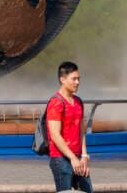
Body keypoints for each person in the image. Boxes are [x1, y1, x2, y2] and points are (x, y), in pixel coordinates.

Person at [46, 61, 92, 193]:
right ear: (62, 79)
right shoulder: (56, 103)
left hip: (77, 158)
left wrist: (84, 156)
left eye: (78, 79)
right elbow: (55, 135)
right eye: (74, 79)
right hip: (60, 159)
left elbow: (81, 131)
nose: (77, 82)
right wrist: (72, 158)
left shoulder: (78, 102)